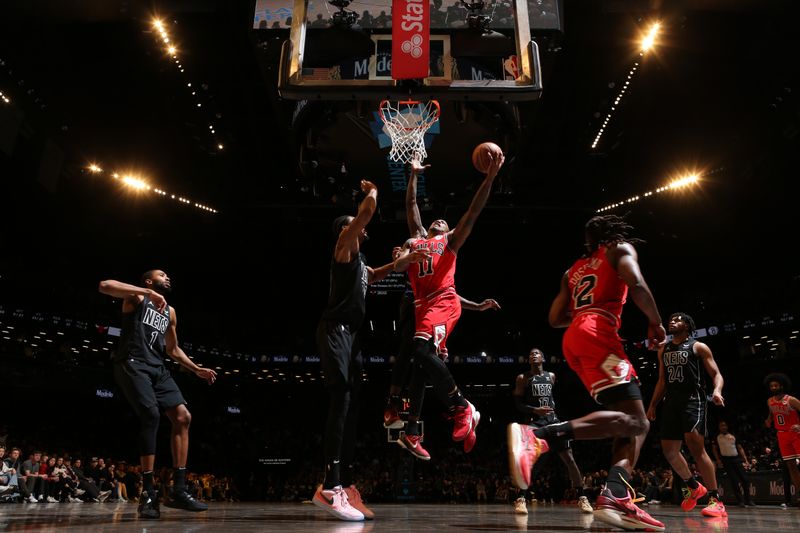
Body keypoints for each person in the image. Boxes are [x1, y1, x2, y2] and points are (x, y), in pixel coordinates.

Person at [508, 214, 666, 531]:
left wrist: (582, 315)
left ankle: (615, 494)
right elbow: (636, 285)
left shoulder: (573, 271)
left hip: (574, 339)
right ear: (612, 233)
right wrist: (655, 321)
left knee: (632, 424)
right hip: (598, 333)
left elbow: (554, 318)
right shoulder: (619, 249)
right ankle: (539, 435)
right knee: (637, 421)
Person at [313, 180, 425, 521]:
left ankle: (344, 484)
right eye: (355, 226)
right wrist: (373, 192)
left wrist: (406, 259)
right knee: (341, 400)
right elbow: (366, 214)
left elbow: (376, 274)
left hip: (353, 337)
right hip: (335, 331)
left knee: (354, 406)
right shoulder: (344, 246)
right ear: (346, 230)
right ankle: (329, 487)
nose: (362, 232)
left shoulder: (359, 264)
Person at [392, 153, 504, 460]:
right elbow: (411, 207)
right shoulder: (416, 241)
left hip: (442, 304)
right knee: (420, 366)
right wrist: (413, 174)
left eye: (444, 221)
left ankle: (462, 407)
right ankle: (413, 431)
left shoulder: (451, 241)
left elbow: (472, 212)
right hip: (423, 307)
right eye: (436, 220)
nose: (440, 220)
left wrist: (489, 179)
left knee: (419, 352)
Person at [99, 270, 217, 519]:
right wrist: (146, 292)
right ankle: (149, 493)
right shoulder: (137, 297)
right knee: (151, 415)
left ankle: (179, 489)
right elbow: (105, 285)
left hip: (157, 367)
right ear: (150, 281)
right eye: (162, 274)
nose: (168, 277)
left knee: (183, 417)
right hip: (132, 362)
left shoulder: (170, 312)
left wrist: (196, 369)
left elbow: (172, 349)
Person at [383, 242, 500, 441]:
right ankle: (415, 422)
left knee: (421, 361)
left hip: (432, 310)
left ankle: (454, 410)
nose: (438, 224)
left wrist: (478, 306)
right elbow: (414, 222)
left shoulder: (441, 259)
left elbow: (449, 294)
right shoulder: (416, 245)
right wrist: (403, 256)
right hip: (418, 306)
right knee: (417, 360)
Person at [646, 312, 727, 517]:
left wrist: (717, 391)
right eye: (671, 319)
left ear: (688, 325)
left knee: (694, 445)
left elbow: (716, 374)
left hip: (693, 399)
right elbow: (662, 381)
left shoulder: (698, 346)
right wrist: (653, 405)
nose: (672, 321)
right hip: (671, 401)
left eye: (678, 319)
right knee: (669, 450)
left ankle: (715, 499)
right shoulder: (663, 348)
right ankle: (693, 486)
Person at [511, 347, 593, 515]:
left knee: (569, 459)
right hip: (535, 424)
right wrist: (535, 410)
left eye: (536, 353)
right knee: (531, 464)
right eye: (530, 354)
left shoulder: (551, 376)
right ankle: (521, 499)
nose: (533, 355)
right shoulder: (522, 378)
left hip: (553, 422)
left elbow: (553, 398)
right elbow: (518, 405)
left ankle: (582, 497)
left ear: (542, 358)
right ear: (529, 360)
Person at [764, 372, 800, 508]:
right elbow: (772, 415)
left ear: (782, 385)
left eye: (776, 385)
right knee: (791, 466)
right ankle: (799, 494)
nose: (773, 387)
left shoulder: (791, 400)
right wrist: (768, 420)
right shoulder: (770, 401)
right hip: (781, 435)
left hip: (795, 433)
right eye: (771, 386)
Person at [712, 421, 755, 507]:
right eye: (721, 426)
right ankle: (740, 501)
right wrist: (718, 460)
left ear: (727, 426)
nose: (723, 427)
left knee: (745, 479)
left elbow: (739, 448)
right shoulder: (717, 437)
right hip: (726, 460)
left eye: (724, 425)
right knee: (734, 481)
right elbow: (714, 449)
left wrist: (745, 460)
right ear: (719, 427)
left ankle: (748, 500)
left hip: (736, 458)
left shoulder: (733, 436)